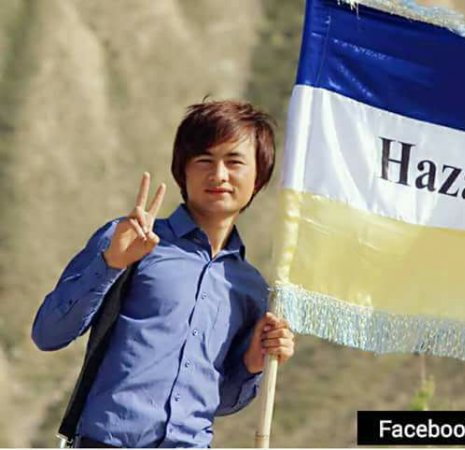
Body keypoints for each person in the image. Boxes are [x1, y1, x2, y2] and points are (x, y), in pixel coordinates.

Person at [31, 100, 294, 448]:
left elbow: (223, 400)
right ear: (182, 171)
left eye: (234, 162)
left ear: (259, 176)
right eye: (204, 160)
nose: (219, 175)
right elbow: (48, 334)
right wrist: (110, 264)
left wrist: (253, 362)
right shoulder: (130, 241)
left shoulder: (250, 287)